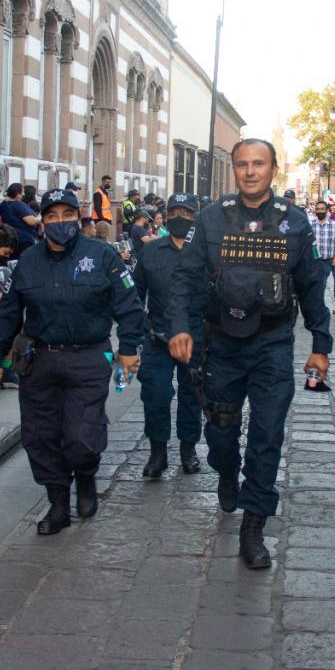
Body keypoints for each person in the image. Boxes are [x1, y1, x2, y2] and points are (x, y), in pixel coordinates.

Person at [167, 138, 332, 569]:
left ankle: (254, 525)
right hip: (221, 344)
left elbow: (313, 286)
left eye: (259, 164)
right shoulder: (211, 219)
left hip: (273, 345)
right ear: (234, 170)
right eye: (242, 164)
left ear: (274, 168)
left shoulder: (296, 224)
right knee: (220, 432)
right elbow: (184, 279)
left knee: (268, 434)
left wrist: (320, 344)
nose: (250, 171)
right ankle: (225, 469)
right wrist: (180, 327)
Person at [0, 188, 144, 535]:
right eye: (51, 216)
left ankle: (85, 475)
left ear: (79, 217)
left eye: (67, 215)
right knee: (40, 436)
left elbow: (129, 306)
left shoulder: (103, 256)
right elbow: (9, 314)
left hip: (89, 356)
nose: (60, 222)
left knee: (82, 437)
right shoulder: (28, 261)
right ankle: (57, 503)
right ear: (42, 220)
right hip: (39, 360)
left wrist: (129, 348)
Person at [134, 193, 206, 479]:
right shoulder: (151, 251)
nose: (180, 218)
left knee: (192, 394)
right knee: (155, 393)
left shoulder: (204, 252)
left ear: (195, 217)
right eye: (174, 212)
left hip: (195, 335)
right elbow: (136, 292)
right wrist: (141, 328)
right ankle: (157, 451)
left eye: (186, 214)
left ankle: (188, 449)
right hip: (158, 335)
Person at [310, 200, 335, 303]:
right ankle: (319, 306)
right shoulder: (310, 224)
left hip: (332, 258)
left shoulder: (333, 225)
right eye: (318, 209)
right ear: (315, 211)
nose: (320, 211)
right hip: (318, 261)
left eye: (322, 209)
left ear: (326, 211)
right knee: (321, 285)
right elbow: (308, 243)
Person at [0, 182, 40, 256]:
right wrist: (39, 218)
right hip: (24, 240)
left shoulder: (3, 204)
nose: (23, 194)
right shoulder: (18, 205)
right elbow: (31, 221)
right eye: (22, 192)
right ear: (17, 193)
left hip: (9, 238)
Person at [93, 175, 115, 241]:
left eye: (110, 183)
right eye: (107, 182)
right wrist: (102, 220)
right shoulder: (98, 193)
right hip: (101, 220)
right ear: (103, 181)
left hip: (105, 219)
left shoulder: (104, 192)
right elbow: (98, 208)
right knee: (102, 238)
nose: (109, 184)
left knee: (105, 238)